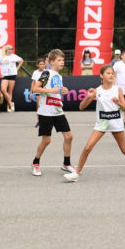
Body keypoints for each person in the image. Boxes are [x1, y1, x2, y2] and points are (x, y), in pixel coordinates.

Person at [64, 65, 125, 182]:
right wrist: (88, 97)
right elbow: (81, 107)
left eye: (112, 73)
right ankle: (76, 173)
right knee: (87, 148)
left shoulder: (118, 89)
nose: (111, 75)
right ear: (101, 76)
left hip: (115, 122)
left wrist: (118, 103)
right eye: (108, 73)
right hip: (102, 123)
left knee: (124, 149)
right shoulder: (97, 91)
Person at [31, 49, 74, 177]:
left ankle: (66, 163)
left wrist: (62, 91)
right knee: (47, 140)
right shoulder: (46, 73)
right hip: (46, 111)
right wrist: (52, 91)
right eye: (59, 60)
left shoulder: (59, 76)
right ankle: (36, 162)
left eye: (63, 60)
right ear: (51, 62)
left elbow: (56, 91)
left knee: (69, 136)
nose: (62, 62)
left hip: (58, 110)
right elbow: (35, 88)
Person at [0, 44, 23, 112]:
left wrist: (17, 68)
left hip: (12, 74)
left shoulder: (14, 56)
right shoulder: (1, 57)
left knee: (10, 92)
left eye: (12, 49)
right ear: (7, 50)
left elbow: (21, 60)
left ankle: (8, 107)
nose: (12, 50)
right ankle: (11, 103)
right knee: (3, 89)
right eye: (11, 49)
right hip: (5, 75)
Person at [30, 58, 46, 128]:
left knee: (46, 106)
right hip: (38, 91)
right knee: (39, 106)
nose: (42, 66)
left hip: (46, 91)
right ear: (37, 65)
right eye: (40, 64)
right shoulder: (35, 72)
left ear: (45, 65)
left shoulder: (47, 72)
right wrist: (31, 92)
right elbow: (33, 82)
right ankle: (39, 121)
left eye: (43, 64)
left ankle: (47, 120)